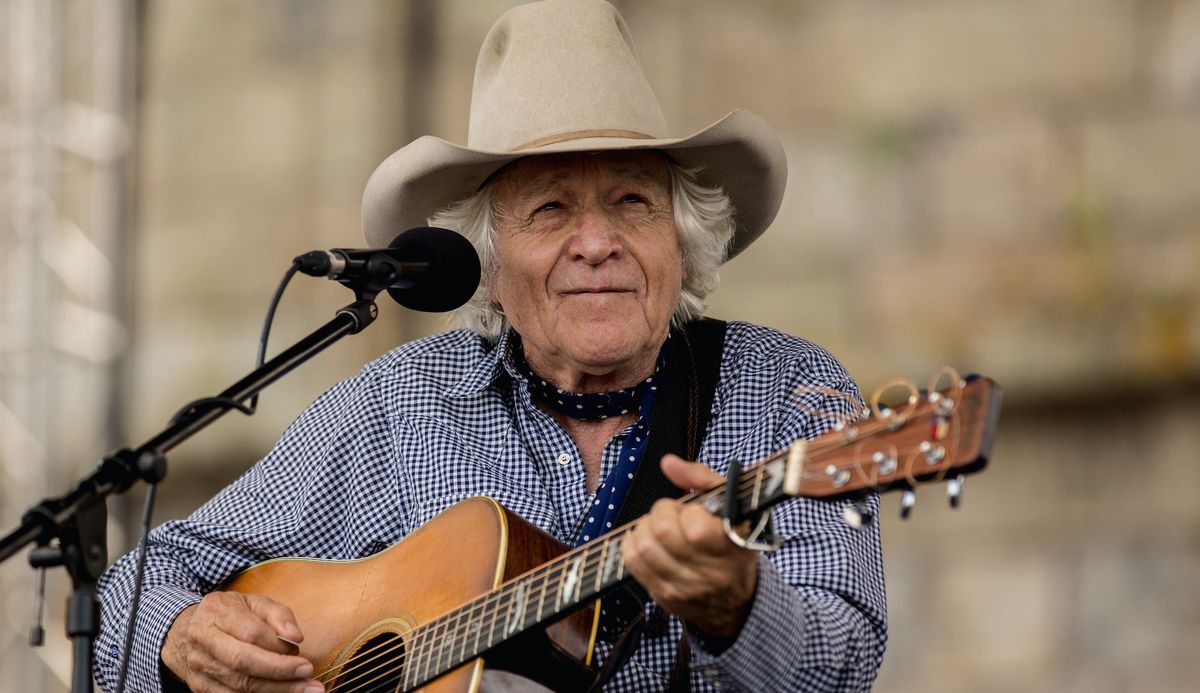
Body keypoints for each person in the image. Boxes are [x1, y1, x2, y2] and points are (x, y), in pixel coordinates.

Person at [94, 1, 886, 691]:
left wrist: (739, 602)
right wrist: (185, 636)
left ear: (683, 241)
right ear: (487, 261)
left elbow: (843, 661)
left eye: (633, 201)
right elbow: (134, 590)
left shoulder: (787, 390)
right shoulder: (402, 401)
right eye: (549, 209)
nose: (597, 243)